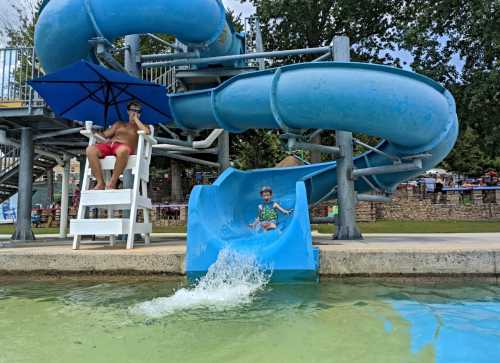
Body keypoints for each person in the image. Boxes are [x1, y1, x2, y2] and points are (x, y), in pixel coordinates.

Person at [86, 100, 150, 190]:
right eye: (133, 110)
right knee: (90, 150)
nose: (135, 113)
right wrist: (93, 131)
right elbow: (104, 135)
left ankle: (113, 182)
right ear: (128, 111)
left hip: (123, 148)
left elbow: (146, 132)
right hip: (110, 145)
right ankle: (100, 183)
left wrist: (135, 119)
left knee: (123, 150)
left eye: (138, 111)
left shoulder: (142, 126)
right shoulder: (119, 124)